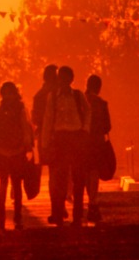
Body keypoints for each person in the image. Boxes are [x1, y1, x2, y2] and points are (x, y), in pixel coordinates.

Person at [44, 65, 90, 226]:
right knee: (60, 178)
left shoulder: (78, 96)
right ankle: (58, 214)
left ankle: (77, 216)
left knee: (78, 178)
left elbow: (87, 112)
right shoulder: (54, 97)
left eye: (65, 77)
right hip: (60, 138)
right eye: (60, 78)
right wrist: (46, 141)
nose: (62, 81)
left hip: (75, 137)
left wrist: (84, 130)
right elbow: (48, 119)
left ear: (71, 79)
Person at [0, 81, 34, 231]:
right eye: (5, 93)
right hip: (10, 152)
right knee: (8, 185)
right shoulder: (11, 110)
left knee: (12, 185)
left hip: (13, 152)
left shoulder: (2, 111)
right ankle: (7, 217)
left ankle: (12, 217)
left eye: (9, 93)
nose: (8, 96)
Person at [83, 73, 112, 225]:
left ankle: (79, 204)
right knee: (93, 173)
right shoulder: (101, 103)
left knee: (81, 172)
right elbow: (108, 126)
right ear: (99, 87)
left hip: (81, 143)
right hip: (96, 144)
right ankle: (92, 202)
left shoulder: (80, 100)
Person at [30, 65, 58, 216]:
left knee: (53, 173)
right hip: (59, 137)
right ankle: (58, 205)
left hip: (44, 137)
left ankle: (56, 206)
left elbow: (35, 118)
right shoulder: (59, 94)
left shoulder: (39, 95)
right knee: (57, 172)